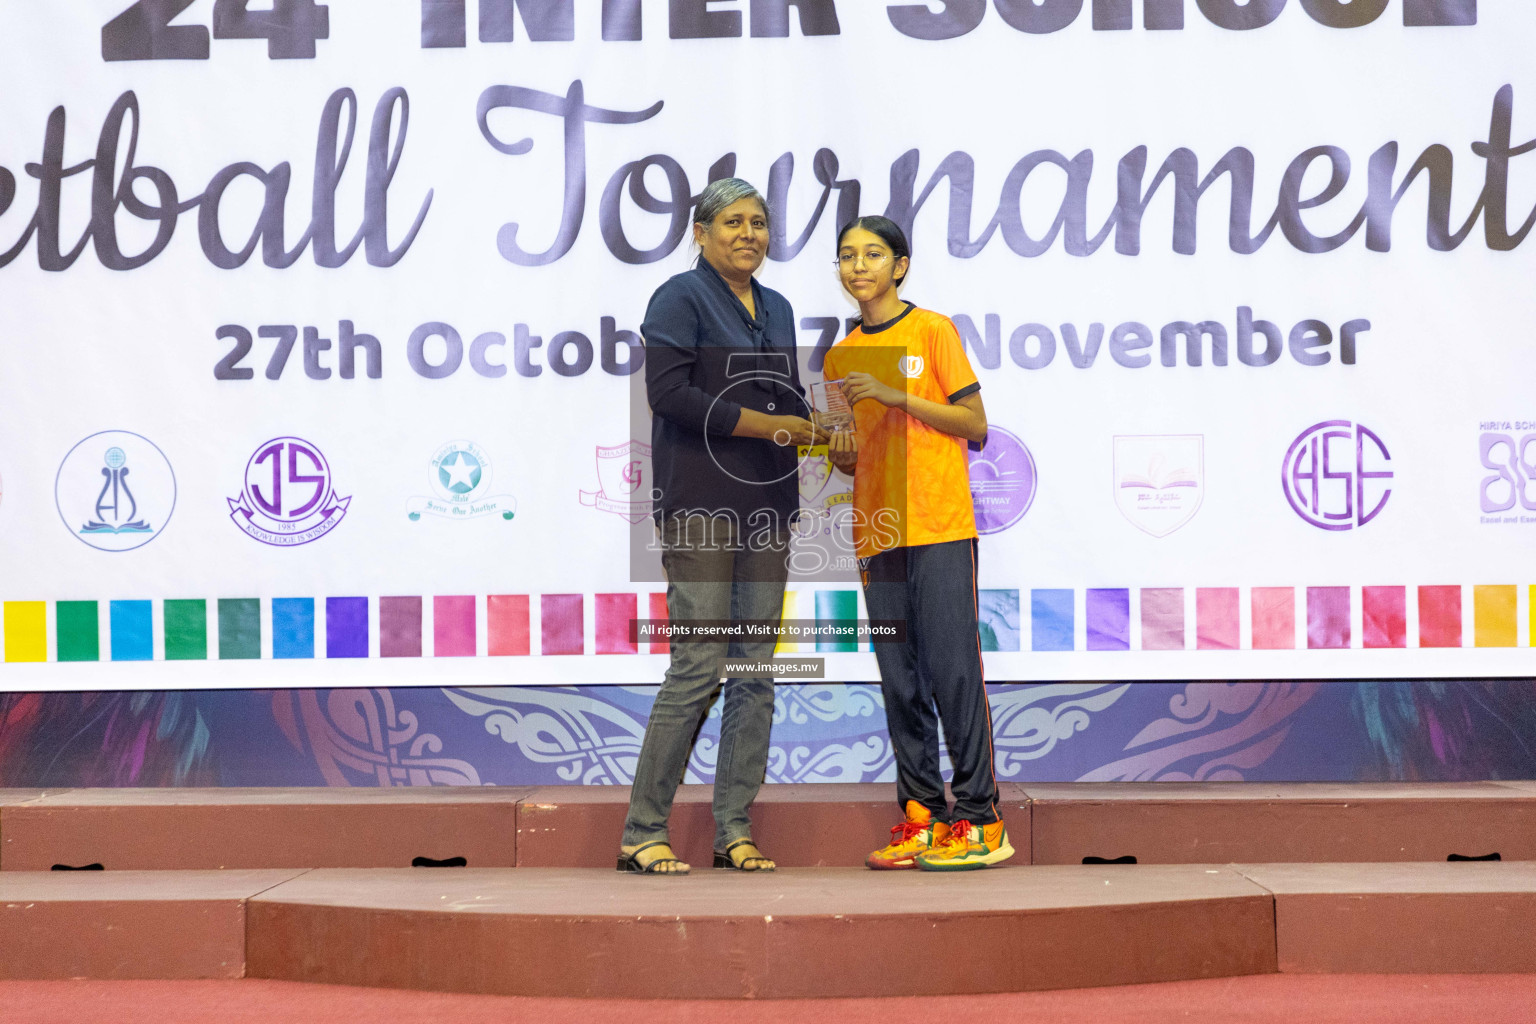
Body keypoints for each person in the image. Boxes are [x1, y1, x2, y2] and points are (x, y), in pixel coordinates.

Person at [617, 178, 820, 875]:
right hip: (701, 506)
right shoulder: (680, 296)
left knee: (755, 672)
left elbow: (788, 399)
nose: (748, 234)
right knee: (700, 666)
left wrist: (826, 428)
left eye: (759, 223)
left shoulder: (780, 307)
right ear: (699, 232)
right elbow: (669, 395)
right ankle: (643, 833)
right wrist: (777, 425)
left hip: (768, 507)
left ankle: (734, 831)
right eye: (732, 222)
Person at [822, 215, 1013, 871]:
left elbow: (975, 424)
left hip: (937, 525)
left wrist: (896, 395)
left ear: (899, 265)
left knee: (952, 670)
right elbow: (851, 459)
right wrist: (839, 447)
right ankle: (923, 816)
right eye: (846, 256)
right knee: (900, 680)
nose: (858, 266)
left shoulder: (932, 330)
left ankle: (982, 818)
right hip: (878, 532)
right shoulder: (839, 356)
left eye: (872, 254)